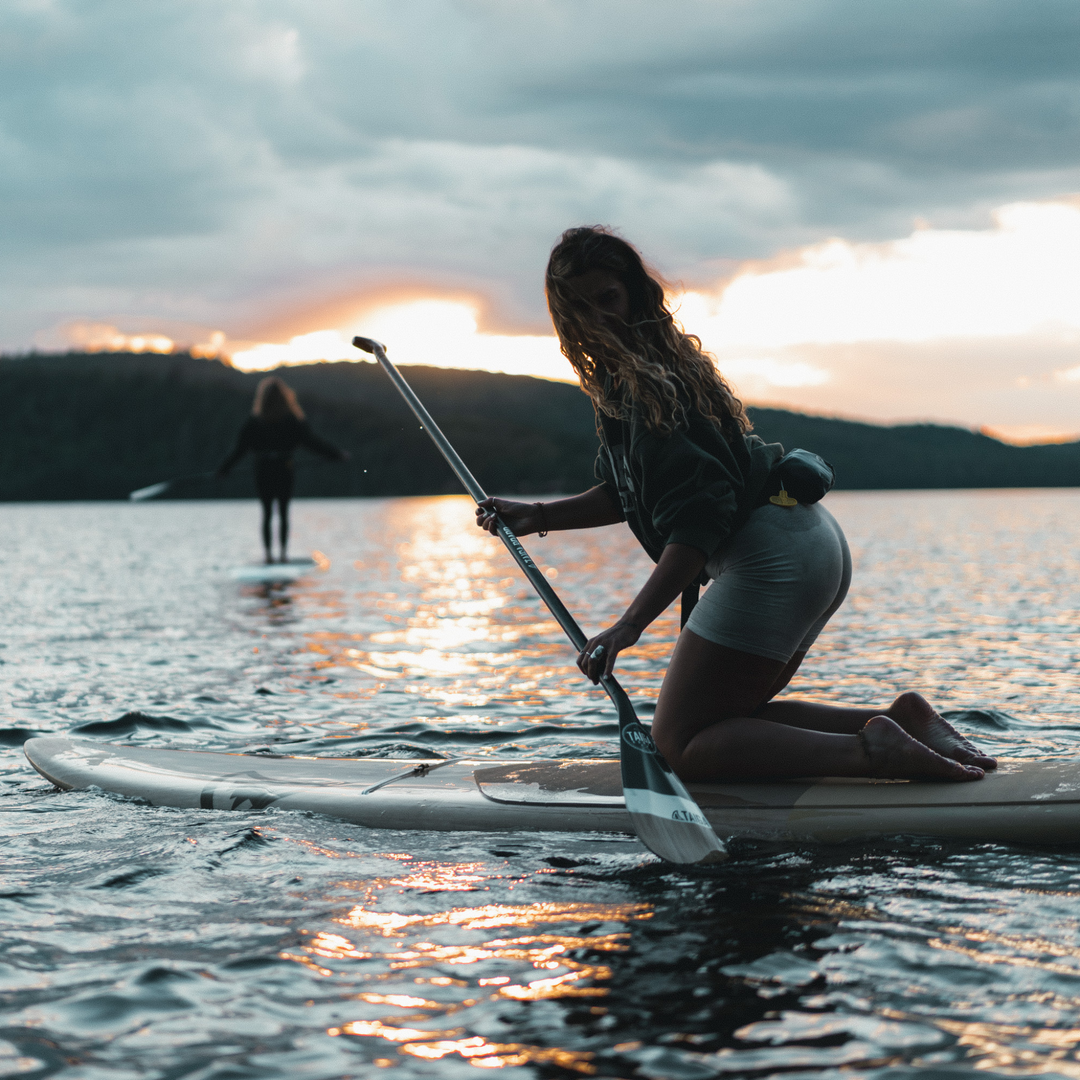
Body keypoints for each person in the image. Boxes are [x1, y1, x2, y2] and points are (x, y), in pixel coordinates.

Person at [476, 226, 997, 783]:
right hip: (808, 542)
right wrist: (541, 516)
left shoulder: (646, 387)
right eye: (581, 307)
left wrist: (628, 627)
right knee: (728, 718)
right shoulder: (640, 373)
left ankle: (873, 754)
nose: (598, 317)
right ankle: (901, 723)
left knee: (678, 743)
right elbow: (624, 492)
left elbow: (696, 527)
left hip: (772, 558)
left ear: (632, 293)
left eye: (608, 299)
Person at [217, 376, 347, 563]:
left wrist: (224, 469)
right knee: (284, 513)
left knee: (268, 513)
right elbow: (312, 443)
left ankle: (269, 556)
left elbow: (239, 451)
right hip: (284, 470)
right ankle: (283, 555)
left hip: (263, 470)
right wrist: (336, 454)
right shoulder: (291, 421)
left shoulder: (255, 423)